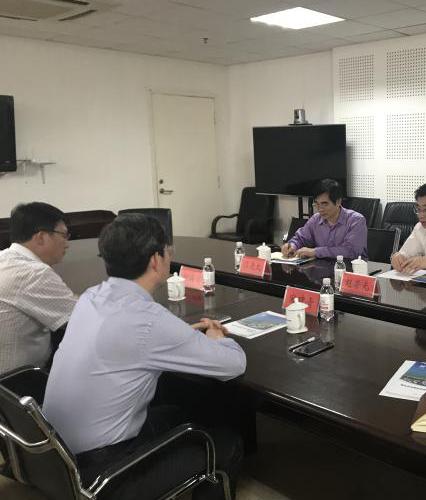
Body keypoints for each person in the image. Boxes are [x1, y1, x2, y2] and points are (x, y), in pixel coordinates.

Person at [43, 214, 246, 499]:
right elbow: (234, 365)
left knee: (176, 413)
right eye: (168, 251)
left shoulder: (92, 296)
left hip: (55, 455)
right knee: (227, 443)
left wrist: (176, 336)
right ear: (155, 260)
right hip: (103, 473)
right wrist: (217, 338)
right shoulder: (148, 321)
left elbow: (132, 340)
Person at [0, 202, 77, 374]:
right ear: (41, 236)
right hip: (15, 381)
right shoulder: (33, 273)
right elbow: (81, 318)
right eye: (64, 235)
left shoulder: (4, 258)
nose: (67, 244)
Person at [281, 178, 367, 260]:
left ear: (338, 202)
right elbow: (301, 239)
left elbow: (350, 251)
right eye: (317, 204)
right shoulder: (315, 220)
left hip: (350, 268)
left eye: (324, 204)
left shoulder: (356, 221)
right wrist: (292, 246)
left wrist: (315, 252)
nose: (320, 209)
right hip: (322, 268)